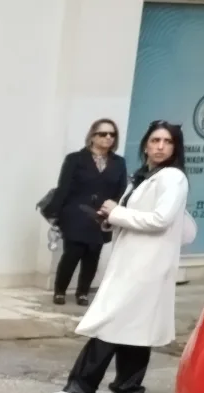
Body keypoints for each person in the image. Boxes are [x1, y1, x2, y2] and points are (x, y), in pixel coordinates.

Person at [50, 121, 194, 393]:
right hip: (138, 262)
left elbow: (160, 219)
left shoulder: (172, 177)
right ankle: (128, 390)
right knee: (136, 327)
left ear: (176, 148)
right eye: (155, 140)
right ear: (145, 145)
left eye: (167, 142)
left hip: (145, 266)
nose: (160, 146)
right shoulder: (147, 175)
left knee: (110, 322)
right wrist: (111, 218)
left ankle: (81, 389)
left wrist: (117, 213)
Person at [42, 118, 129, 306]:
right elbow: (64, 187)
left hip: (101, 217)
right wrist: (55, 215)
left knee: (93, 255)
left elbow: (121, 189)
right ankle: (60, 291)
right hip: (76, 214)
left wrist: (112, 209)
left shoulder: (118, 162)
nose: (108, 137)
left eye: (112, 134)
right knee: (72, 254)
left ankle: (82, 293)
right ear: (92, 136)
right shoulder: (75, 159)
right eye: (103, 133)